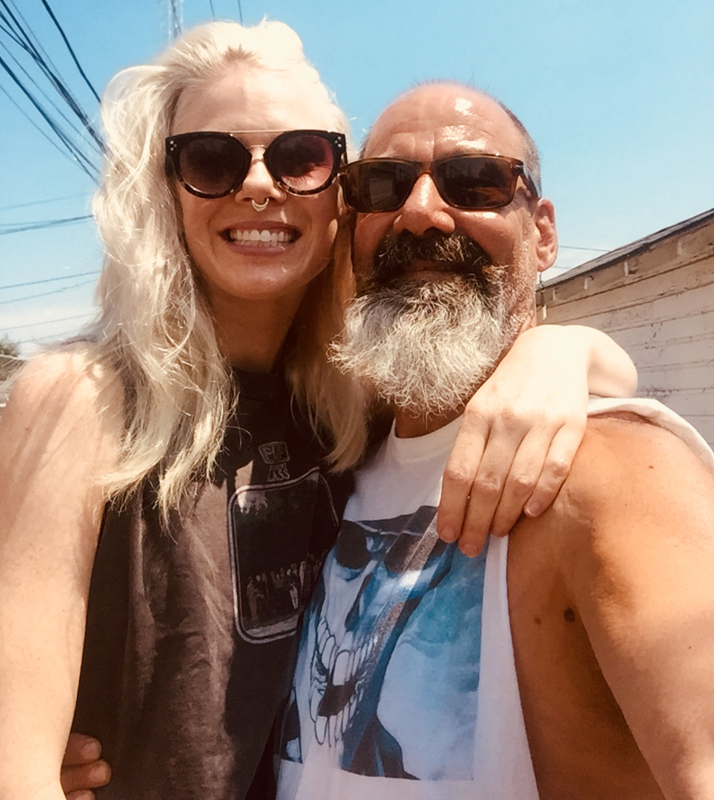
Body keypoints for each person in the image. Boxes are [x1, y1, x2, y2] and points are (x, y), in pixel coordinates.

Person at [0, 21, 636, 800]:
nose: (257, 185)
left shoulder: (355, 406)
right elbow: (17, 766)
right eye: (211, 160)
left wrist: (561, 352)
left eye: (299, 157)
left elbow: (608, 374)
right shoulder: (80, 398)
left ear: (341, 195)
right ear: (165, 194)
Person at [272, 82, 714, 800]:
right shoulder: (335, 463)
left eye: (475, 180)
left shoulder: (618, 468)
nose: (419, 212)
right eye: (382, 186)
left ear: (543, 233)